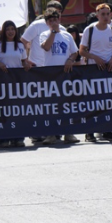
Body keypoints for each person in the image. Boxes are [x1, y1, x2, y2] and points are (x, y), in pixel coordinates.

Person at [79, 3, 112, 142]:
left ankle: (107, 129)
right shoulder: (89, 30)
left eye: (107, 14)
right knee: (92, 101)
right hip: (93, 69)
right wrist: (95, 58)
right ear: (97, 15)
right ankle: (90, 131)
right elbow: (82, 50)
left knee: (108, 101)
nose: (105, 16)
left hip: (109, 69)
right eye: (102, 14)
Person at [39, 8, 79, 145]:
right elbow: (46, 47)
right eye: (51, 20)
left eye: (56, 19)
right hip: (50, 74)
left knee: (66, 104)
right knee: (52, 105)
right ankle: (51, 134)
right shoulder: (44, 34)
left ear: (59, 20)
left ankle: (69, 133)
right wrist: (53, 32)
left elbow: (75, 52)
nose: (54, 22)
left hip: (65, 74)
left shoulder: (67, 36)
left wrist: (70, 60)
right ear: (47, 23)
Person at [0, 20, 32, 147]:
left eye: (12, 29)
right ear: (4, 31)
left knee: (17, 110)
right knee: (4, 111)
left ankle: (18, 137)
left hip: (17, 82)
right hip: (2, 83)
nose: (10, 32)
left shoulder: (20, 45)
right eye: (8, 29)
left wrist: (26, 65)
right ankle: (4, 137)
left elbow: (24, 60)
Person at [21, 0, 65, 67]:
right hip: (36, 67)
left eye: (58, 12)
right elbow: (22, 42)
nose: (55, 14)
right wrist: (25, 60)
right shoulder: (37, 25)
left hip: (55, 68)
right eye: (52, 11)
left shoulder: (63, 29)